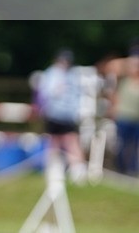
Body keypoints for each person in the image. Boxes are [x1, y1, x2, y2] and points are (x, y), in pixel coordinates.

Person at [35, 49, 88, 184]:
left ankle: (77, 171)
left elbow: (77, 95)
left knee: (71, 141)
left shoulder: (72, 75)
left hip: (68, 115)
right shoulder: (51, 74)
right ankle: (54, 170)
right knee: (54, 142)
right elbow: (44, 94)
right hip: (54, 114)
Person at [112, 52, 139, 175]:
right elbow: (114, 65)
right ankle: (120, 168)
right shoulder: (124, 81)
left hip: (136, 119)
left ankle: (131, 170)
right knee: (122, 144)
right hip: (123, 117)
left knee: (133, 146)